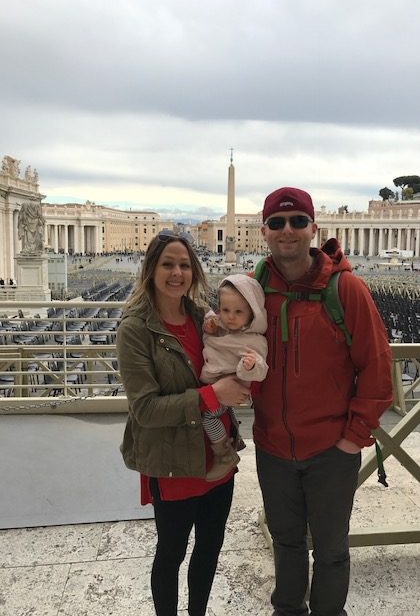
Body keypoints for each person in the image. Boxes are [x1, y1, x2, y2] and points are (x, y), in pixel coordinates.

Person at [252, 187, 393, 616]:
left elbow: (377, 368)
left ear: (315, 228)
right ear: (265, 232)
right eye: (277, 223)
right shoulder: (254, 289)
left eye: (297, 221)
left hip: (332, 450)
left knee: (331, 550)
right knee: (286, 543)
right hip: (273, 448)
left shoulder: (346, 289)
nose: (287, 230)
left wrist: (352, 437)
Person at [116, 232, 250, 616]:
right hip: (173, 463)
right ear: (151, 269)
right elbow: (145, 410)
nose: (177, 273)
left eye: (185, 265)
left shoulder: (202, 317)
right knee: (171, 553)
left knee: (209, 550)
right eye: (168, 264)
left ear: (194, 270)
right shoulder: (135, 329)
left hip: (218, 456)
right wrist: (212, 396)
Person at [200, 273, 268, 481]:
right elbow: (216, 335)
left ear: (252, 313)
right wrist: (210, 328)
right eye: (225, 310)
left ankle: (223, 453)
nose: (230, 317)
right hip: (216, 383)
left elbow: (261, 369)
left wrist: (248, 366)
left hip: (230, 388)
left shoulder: (253, 341)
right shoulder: (222, 325)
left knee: (208, 416)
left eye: (238, 312)